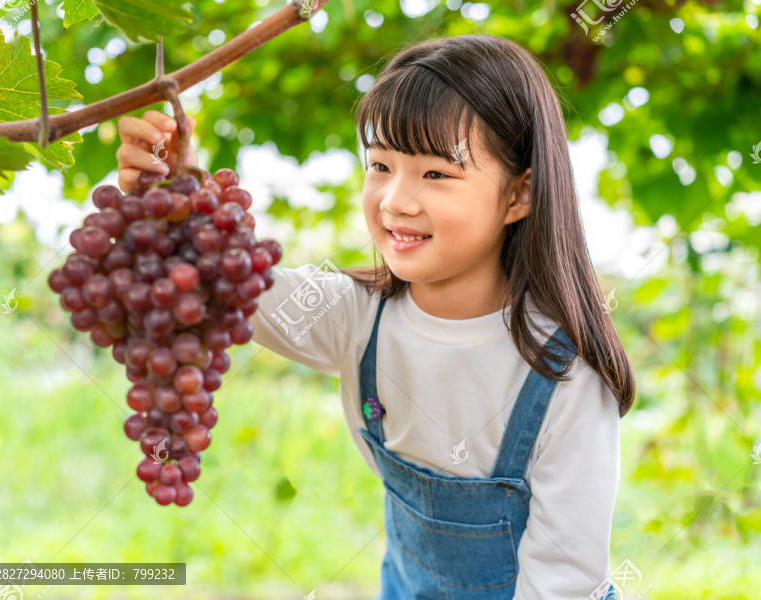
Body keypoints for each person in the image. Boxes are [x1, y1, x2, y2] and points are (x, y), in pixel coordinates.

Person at [116, 33, 634, 600]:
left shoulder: (565, 375)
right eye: (381, 165)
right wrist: (179, 190)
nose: (395, 201)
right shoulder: (356, 316)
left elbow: (562, 586)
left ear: (519, 195)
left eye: (436, 174)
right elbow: (227, 289)